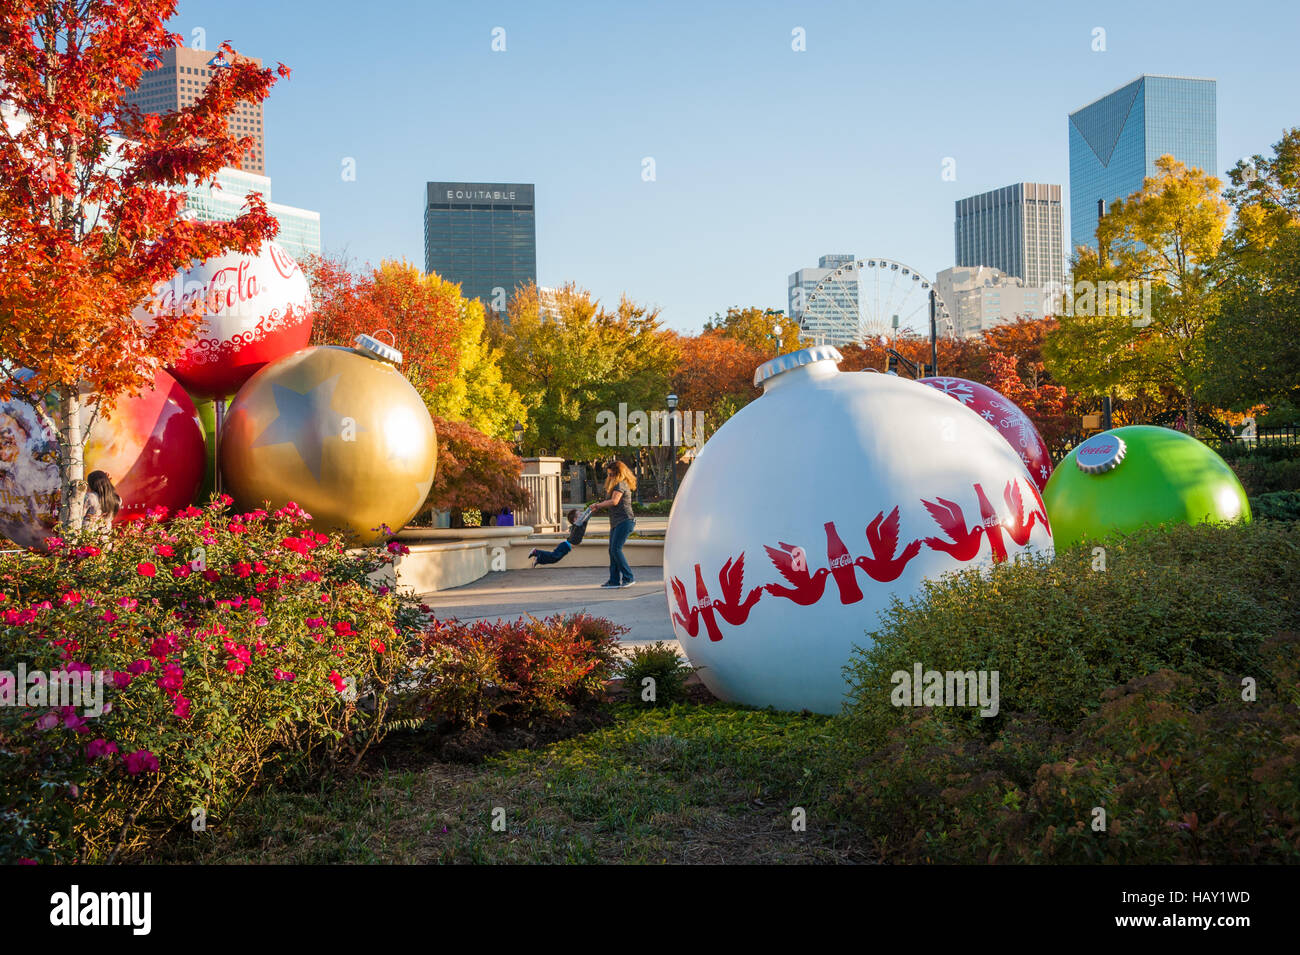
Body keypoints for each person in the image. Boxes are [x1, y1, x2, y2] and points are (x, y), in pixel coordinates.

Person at [590, 459, 637, 588]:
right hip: (617, 522)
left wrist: (597, 505)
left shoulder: (620, 485)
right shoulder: (617, 485)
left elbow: (614, 501)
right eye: (608, 474)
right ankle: (614, 580)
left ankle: (628, 577)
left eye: (611, 474)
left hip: (625, 520)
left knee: (616, 549)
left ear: (619, 474)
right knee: (612, 550)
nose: (609, 477)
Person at [82, 470, 120, 539]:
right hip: (105, 536)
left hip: (88, 536)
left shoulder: (90, 497)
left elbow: (79, 516)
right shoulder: (117, 499)